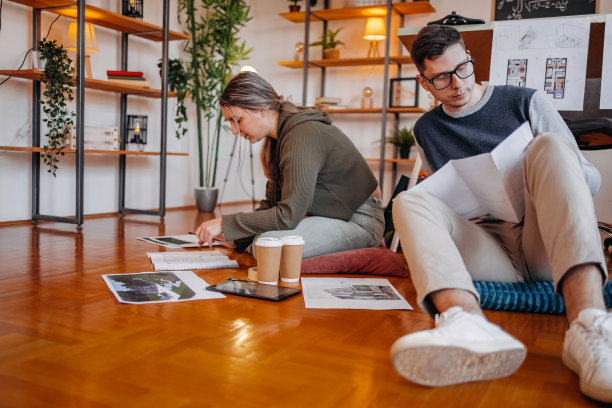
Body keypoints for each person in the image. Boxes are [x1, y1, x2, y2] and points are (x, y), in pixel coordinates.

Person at [389, 25, 611, 403]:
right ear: (424, 82)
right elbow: (445, 195)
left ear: (470, 59)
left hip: (543, 239)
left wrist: (531, 168)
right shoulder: (427, 130)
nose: (457, 84)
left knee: (551, 146)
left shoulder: (524, 100)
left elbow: (589, 178)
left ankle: (590, 325)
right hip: (489, 247)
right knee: (407, 201)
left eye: (462, 69)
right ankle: (466, 322)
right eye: (441, 78)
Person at [194, 71, 384, 259]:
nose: (235, 131)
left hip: (361, 221)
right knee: (263, 242)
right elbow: (272, 205)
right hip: (332, 217)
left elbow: (288, 216)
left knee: (267, 247)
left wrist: (226, 223)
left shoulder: (302, 133)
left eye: (237, 120)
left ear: (262, 108)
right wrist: (239, 237)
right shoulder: (277, 140)